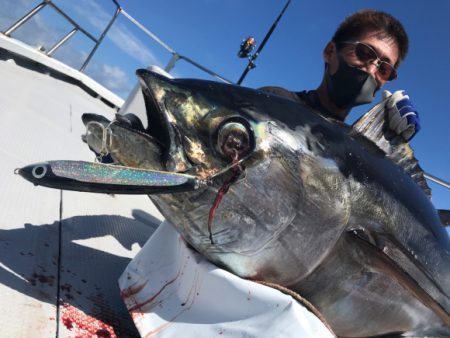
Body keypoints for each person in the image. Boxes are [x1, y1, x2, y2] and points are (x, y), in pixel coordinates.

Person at [260, 9, 420, 141]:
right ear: (330, 52)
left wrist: (390, 143)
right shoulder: (271, 100)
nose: (371, 71)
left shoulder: (361, 150)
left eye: (384, 69)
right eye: (364, 53)